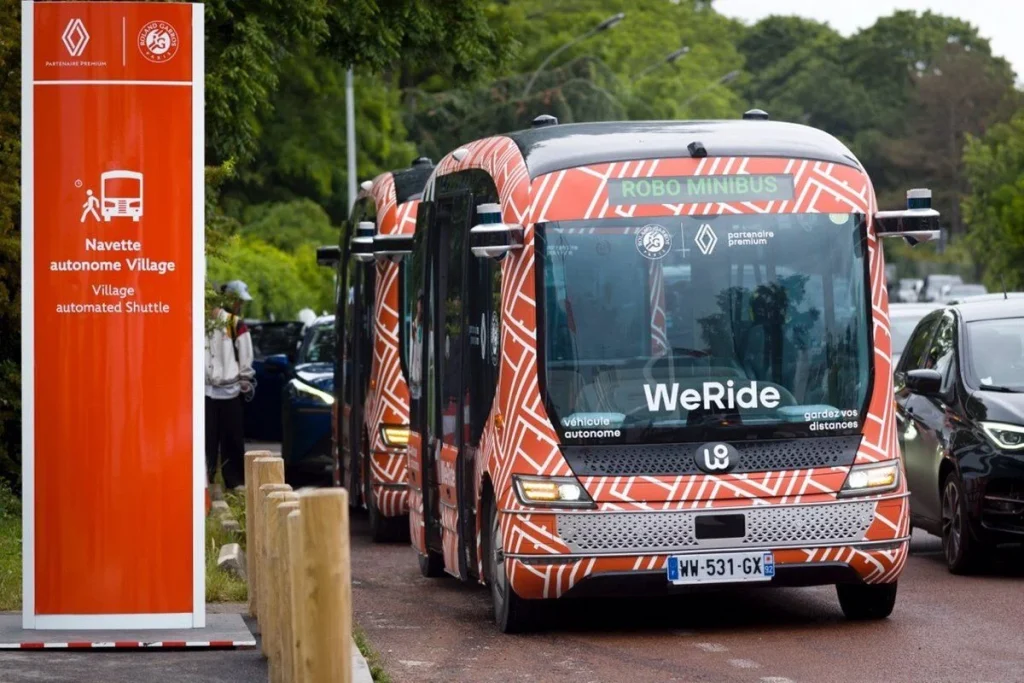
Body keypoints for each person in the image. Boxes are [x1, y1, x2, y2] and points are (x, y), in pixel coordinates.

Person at [205, 280, 255, 490]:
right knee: (219, 441)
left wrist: (244, 379)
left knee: (220, 441)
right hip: (214, 392)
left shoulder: (230, 324)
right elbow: (245, 357)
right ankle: (221, 482)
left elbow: (245, 357)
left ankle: (223, 482)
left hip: (220, 391)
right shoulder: (203, 323)